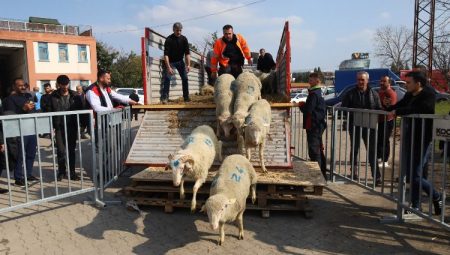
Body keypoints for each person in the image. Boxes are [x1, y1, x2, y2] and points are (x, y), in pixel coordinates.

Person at [386, 71, 442, 215]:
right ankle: (416, 206)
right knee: (414, 174)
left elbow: (420, 109)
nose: (406, 84)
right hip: (410, 136)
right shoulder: (410, 93)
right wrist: (388, 109)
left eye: (408, 82)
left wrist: (398, 111)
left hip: (423, 138)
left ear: (418, 83)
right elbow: (402, 104)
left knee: (415, 176)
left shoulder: (429, 94)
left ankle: (436, 196)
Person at [341, 71, 382, 185]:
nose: (360, 82)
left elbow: (379, 108)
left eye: (362, 80)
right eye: (358, 79)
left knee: (372, 151)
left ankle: (376, 177)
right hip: (355, 125)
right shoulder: (350, 94)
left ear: (367, 80)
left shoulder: (374, 94)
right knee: (354, 149)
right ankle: (353, 173)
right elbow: (344, 109)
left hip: (370, 126)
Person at [3, 78, 38, 186]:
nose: (23, 87)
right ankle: (18, 177)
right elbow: (10, 115)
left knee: (31, 153)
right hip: (20, 130)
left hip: (31, 128)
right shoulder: (9, 99)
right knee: (20, 155)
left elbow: (33, 110)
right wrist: (23, 109)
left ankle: (28, 174)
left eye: (24, 85)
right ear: (14, 87)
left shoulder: (28, 96)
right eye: (20, 85)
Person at [48, 75, 83, 181]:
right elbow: (49, 111)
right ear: (58, 84)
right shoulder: (53, 96)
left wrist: (81, 124)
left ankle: (72, 173)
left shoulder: (75, 95)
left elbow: (81, 109)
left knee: (71, 150)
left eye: (67, 84)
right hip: (59, 127)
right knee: (61, 150)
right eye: (63, 85)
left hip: (72, 126)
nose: (65, 87)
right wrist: (51, 127)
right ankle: (61, 172)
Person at [299, 73, 327, 180]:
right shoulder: (317, 92)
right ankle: (323, 174)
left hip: (314, 126)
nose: (309, 81)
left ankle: (318, 176)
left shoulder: (314, 94)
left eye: (312, 79)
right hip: (317, 125)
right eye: (309, 79)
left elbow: (308, 110)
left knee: (314, 151)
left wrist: (302, 106)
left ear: (317, 81)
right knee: (318, 150)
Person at [161, 22, 191, 104]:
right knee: (167, 78)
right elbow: (166, 55)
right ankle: (165, 98)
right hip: (170, 62)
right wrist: (168, 67)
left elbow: (187, 53)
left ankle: (186, 97)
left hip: (180, 62)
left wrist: (188, 65)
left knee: (185, 78)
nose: (179, 32)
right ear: (173, 30)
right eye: (177, 30)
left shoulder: (184, 39)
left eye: (180, 30)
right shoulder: (169, 39)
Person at [377, 76, 397, 167]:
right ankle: (379, 157)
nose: (381, 83)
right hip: (380, 120)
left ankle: (385, 160)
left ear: (389, 83)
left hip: (387, 120)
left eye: (384, 81)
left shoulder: (390, 93)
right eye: (381, 81)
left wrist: (379, 108)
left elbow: (389, 107)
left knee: (385, 140)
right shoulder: (381, 92)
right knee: (380, 139)